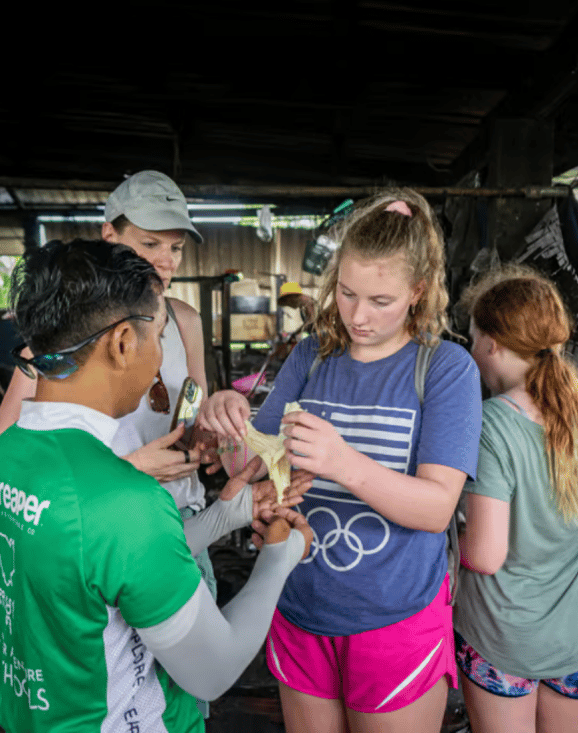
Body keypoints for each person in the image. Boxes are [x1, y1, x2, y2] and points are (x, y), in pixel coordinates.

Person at [0, 239, 314, 732]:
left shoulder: (1, 461)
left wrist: (222, 517)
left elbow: (96, 566)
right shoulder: (124, 500)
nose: (159, 362)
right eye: (158, 339)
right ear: (123, 343)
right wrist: (278, 560)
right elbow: (212, 672)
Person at [197, 190, 483, 733]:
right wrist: (224, 417)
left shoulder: (446, 369)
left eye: (380, 300)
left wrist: (343, 462)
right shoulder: (312, 355)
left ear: (418, 292)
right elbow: (250, 464)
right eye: (347, 293)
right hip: (299, 605)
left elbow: (436, 509)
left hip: (393, 619)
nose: (357, 315)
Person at [0, 170, 221, 597]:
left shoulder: (186, 321)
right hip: (102, 524)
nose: (166, 260)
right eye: (150, 243)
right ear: (109, 237)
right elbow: (4, 460)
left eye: (176, 247)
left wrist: (211, 435)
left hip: (183, 516)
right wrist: (128, 471)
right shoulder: (67, 337)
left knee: (184, 653)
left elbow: (193, 411)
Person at [454, 265, 578, 733]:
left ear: (492, 344)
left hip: (508, 639)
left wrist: (442, 538)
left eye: (473, 339)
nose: (472, 352)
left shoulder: (493, 424)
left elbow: (486, 556)